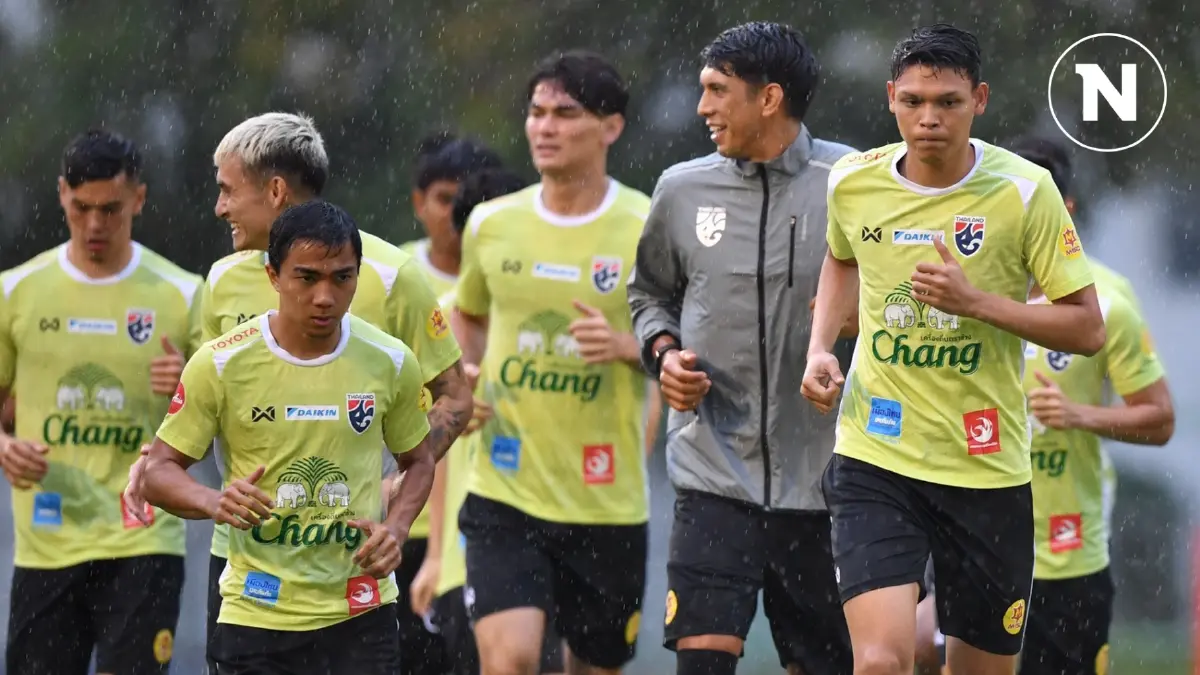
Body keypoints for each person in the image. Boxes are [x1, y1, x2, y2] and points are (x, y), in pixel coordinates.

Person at [802, 24, 1107, 675]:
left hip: (986, 468)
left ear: (981, 100)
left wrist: (978, 304)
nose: (929, 118)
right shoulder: (852, 181)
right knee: (881, 660)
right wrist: (821, 348)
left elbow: (1087, 329)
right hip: (875, 456)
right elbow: (840, 258)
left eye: (947, 102)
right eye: (913, 101)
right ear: (890, 99)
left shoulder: (1025, 192)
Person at [121, 111, 473, 673]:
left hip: (353, 554)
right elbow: (213, 398)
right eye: (306, 280)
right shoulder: (225, 277)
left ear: (275, 189)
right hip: (246, 563)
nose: (219, 207)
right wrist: (160, 460)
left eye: (227, 190)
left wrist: (398, 479)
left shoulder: (391, 275)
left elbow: (454, 396)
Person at [627, 21, 855, 675]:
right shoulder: (681, 188)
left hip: (828, 486)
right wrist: (665, 354)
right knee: (703, 658)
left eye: (717, 90)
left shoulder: (854, 182)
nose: (703, 107)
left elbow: (897, 303)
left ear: (770, 98)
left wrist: (854, 327)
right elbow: (649, 297)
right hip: (710, 476)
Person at [913, 136, 1178, 675]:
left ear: (1066, 212)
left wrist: (1080, 415)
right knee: (916, 648)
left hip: (1066, 554)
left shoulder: (1107, 305)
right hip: (972, 538)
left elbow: (1160, 420)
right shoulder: (955, 290)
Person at [450, 50, 653, 675]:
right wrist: (461, 378)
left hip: (606, 500)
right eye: (536, 113)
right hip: (504, 491)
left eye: (565, 113)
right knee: (508, 660)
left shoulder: (647, 224)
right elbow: (468, 315)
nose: (544, 127)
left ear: (610, 127)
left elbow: (690, 343)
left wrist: (627, 348)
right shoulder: (490, 224)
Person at [0, 129, 200, 674]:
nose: (94, 225)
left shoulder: (183, 294)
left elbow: (228, 419)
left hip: (143, 538)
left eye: (110, 209)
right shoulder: (15, 292)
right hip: (47, 541)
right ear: (62, 193)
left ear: (138, 198)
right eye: (82, 207)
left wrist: (190, 385)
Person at [410, 166, 577, 675]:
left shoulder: (565, 309)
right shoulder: (443, 319)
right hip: (477, 542)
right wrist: (436, 553)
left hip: (568, 528)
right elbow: (433, 449)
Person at [397, 133, 504, 674]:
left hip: (485, 514)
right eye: (444, 200)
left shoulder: (512, 286)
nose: (457, 217)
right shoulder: (395, 279)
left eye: (470, 203)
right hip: (405, 517)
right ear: (419, 203)